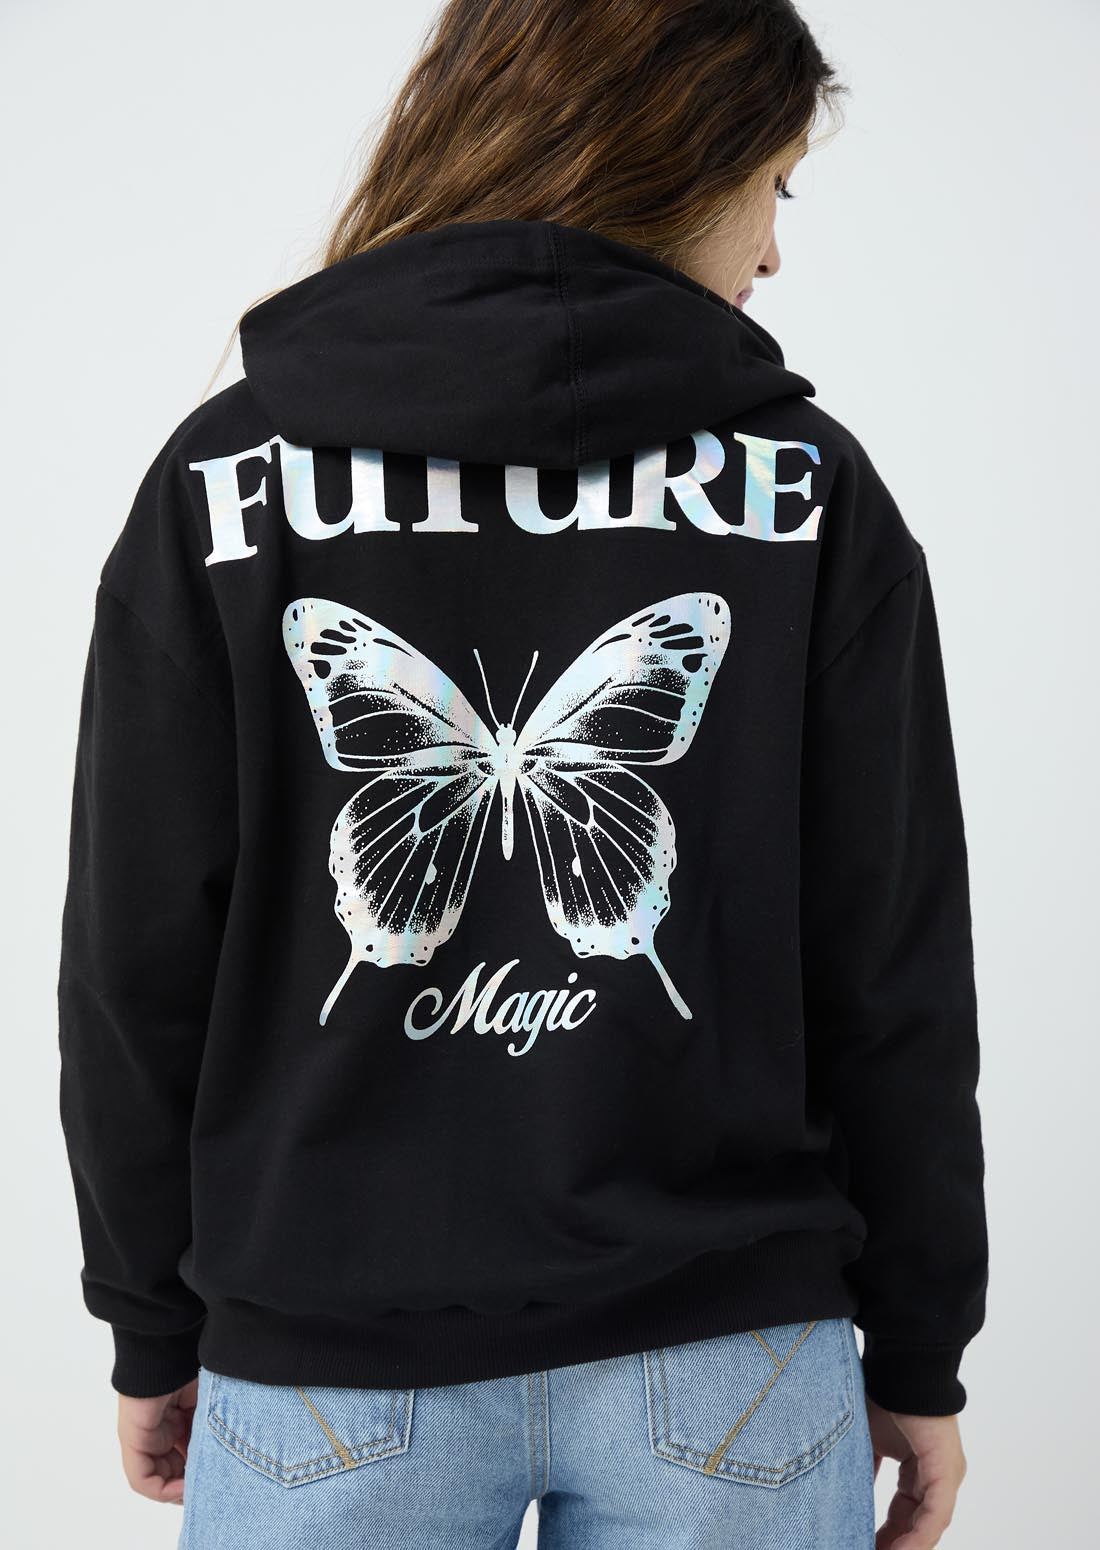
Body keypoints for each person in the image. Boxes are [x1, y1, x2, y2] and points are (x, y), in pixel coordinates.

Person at [56, 2, 988, 1547]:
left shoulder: (225, 480)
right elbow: (892, 960)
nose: (773, 254)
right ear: (672, 159)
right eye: (771, 188)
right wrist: (919, 1341)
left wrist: (149, 1312)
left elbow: (134, 954)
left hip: (332, 1356)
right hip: (730, 1350)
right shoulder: (809, 490)